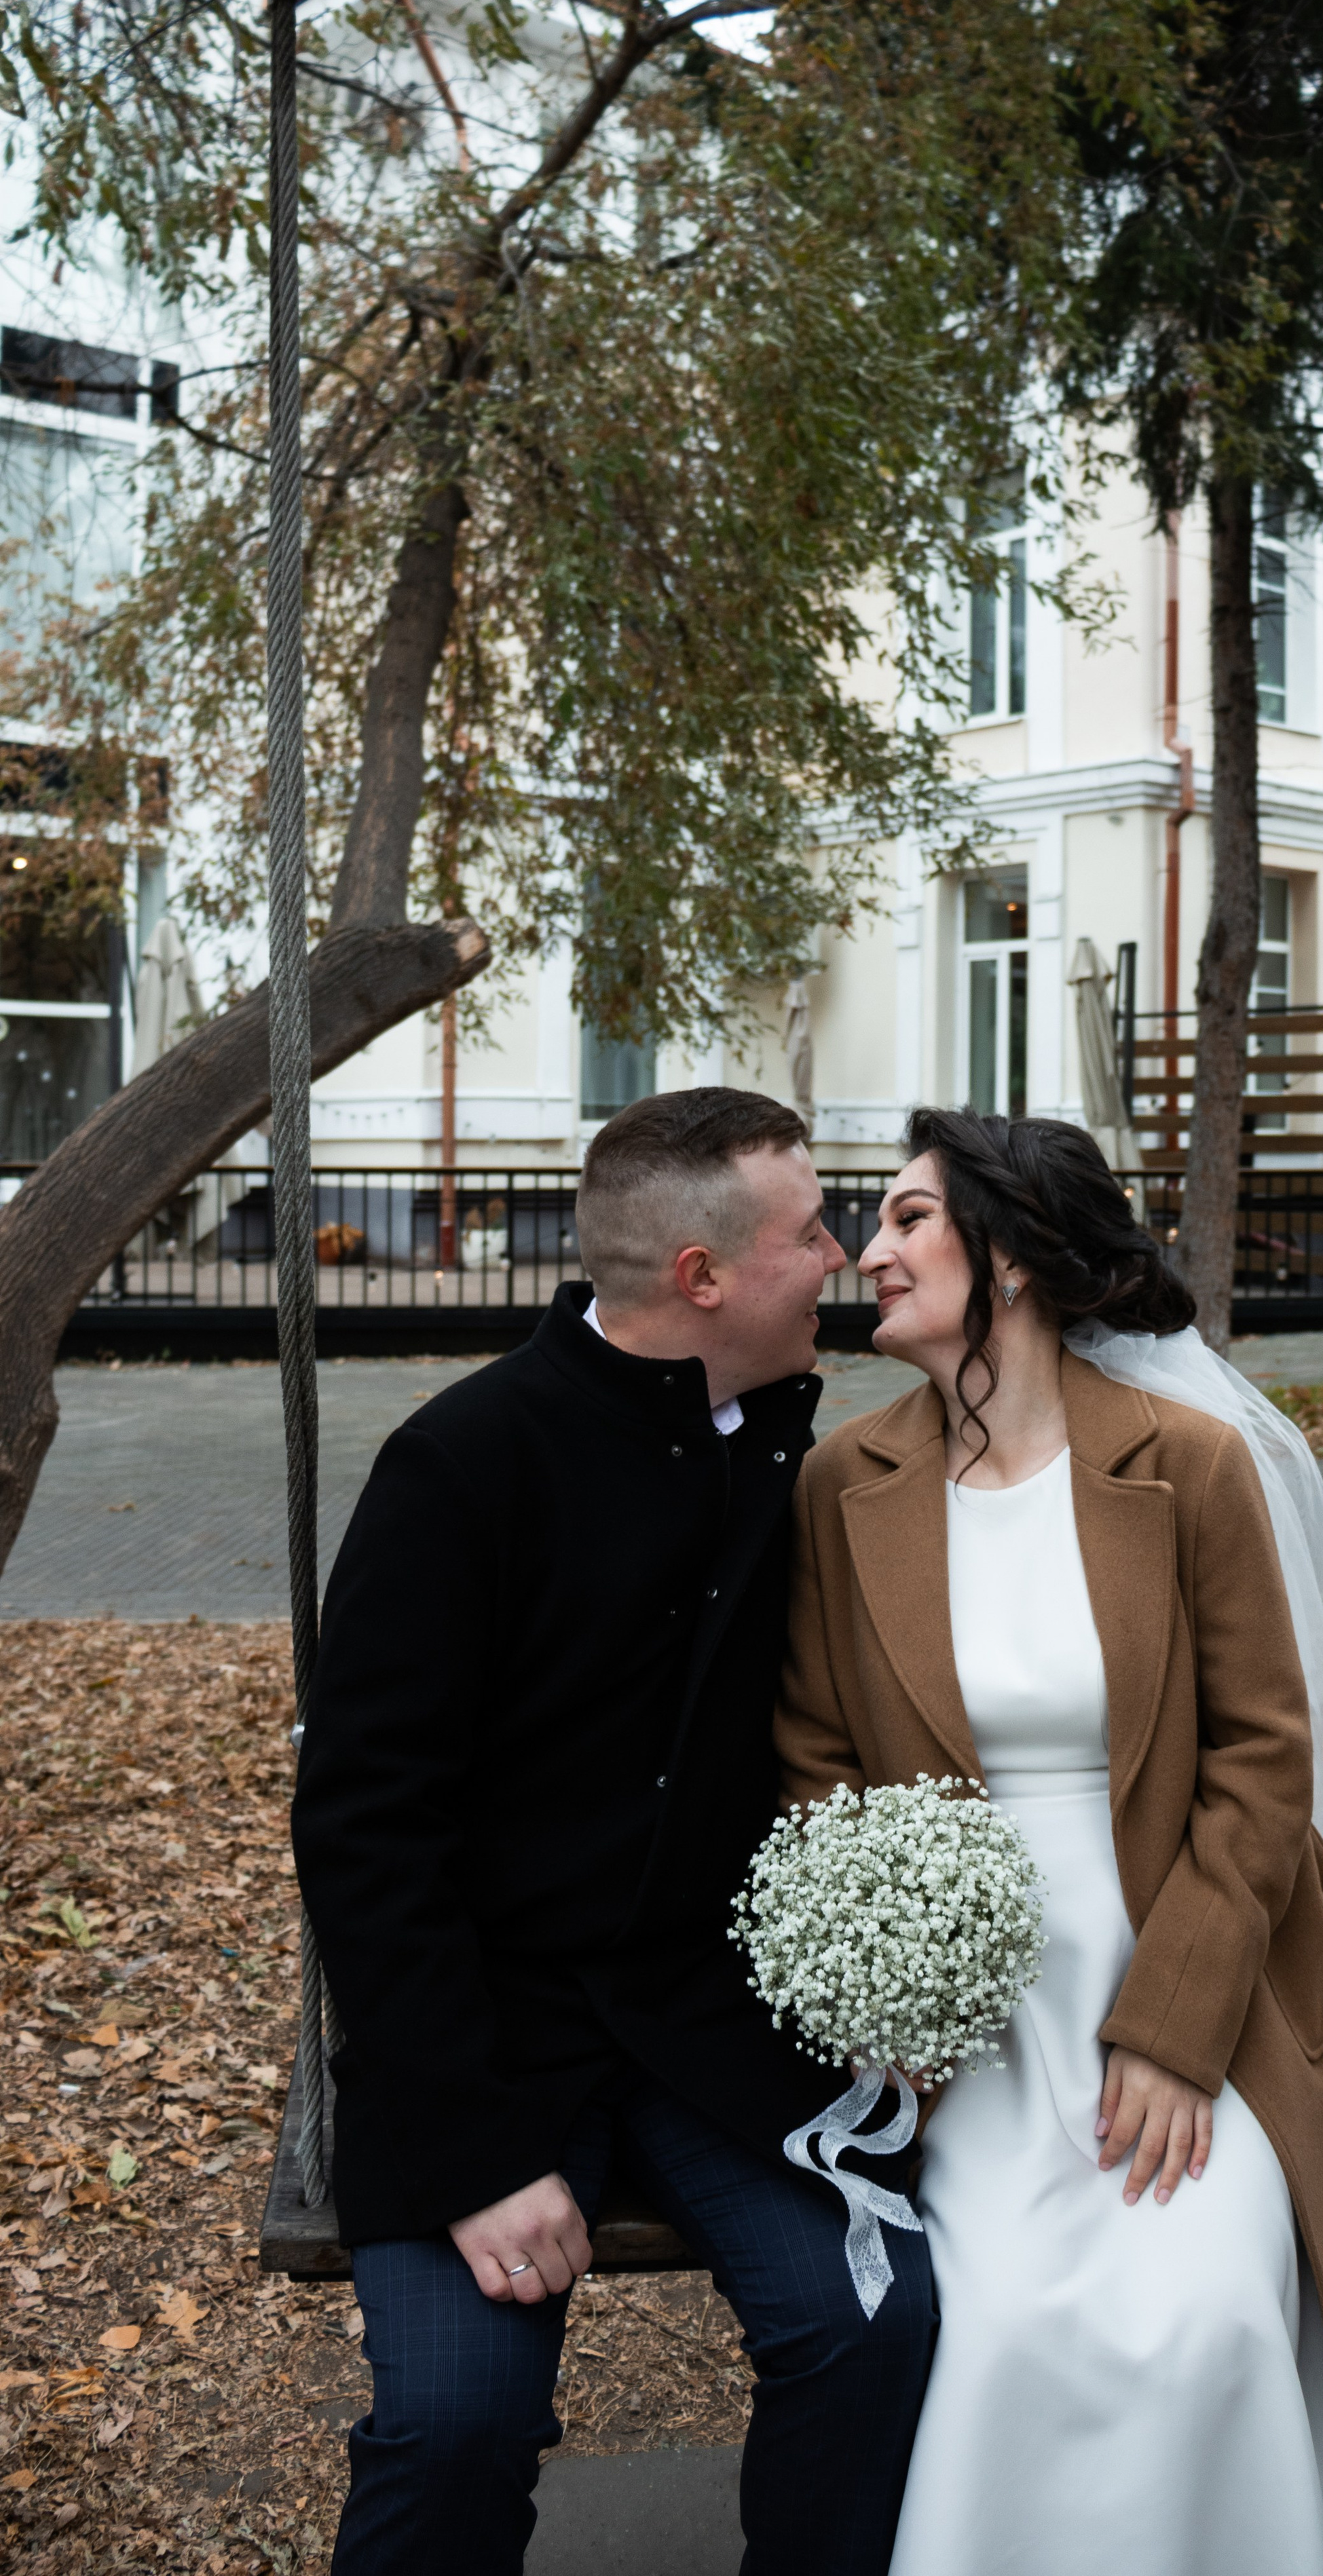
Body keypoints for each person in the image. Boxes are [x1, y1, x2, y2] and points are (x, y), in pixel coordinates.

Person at [775, 1107, 1323, 2576]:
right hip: (972, 2011)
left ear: (1011, 1259)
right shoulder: (844, 1485)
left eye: (905, 1219)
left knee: (1205, 2311)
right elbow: (816, 1762)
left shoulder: (1187, 1467)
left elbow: (1262, 1761)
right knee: (1007, 2322)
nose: (866, 1251)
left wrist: (1172, 2030)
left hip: (1199, 1964)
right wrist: (893, 1992)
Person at [293, 1088, 936, 2576]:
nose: (841, 1256)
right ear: (702, 1276)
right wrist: (474, 2154)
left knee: (873, 2320)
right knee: (455, 2418)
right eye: (809, 1231)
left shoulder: (786, 1456)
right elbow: (365, 1827)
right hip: (479, 2029)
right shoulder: (463, 1464)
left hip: (702, 2014)